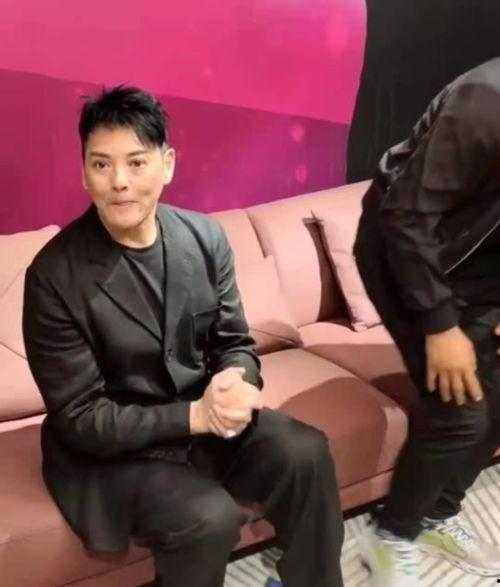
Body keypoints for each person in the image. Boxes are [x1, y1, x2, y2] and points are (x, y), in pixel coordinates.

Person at [22, 86, 345, 587]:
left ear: (167, 164)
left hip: (200, 421)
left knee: (306, 451)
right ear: (84, 172)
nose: (119, 182)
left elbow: (234, 343)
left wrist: (234, 381)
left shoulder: (205, 239)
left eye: (136, 162)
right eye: (101, 164)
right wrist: (195, 416)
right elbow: (81, 418)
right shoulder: (53, 276)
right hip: (111, 453)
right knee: (207, 518)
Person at [354, 57, 500, 586]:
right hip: (404, 254)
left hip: (481, 265)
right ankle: (389, 536)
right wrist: (440, 326)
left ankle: (436, 514)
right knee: (459, 412)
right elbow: (406, 215)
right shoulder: (487, 100)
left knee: (495, 400)